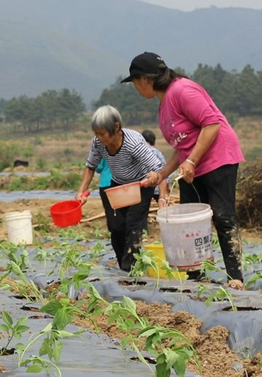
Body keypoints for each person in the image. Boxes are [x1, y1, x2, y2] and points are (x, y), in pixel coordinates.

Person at [124, 52, 245, 290]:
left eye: (135, 82)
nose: (136, 88)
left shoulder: (183, 91)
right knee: (189, 222)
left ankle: (236, 278)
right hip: (194, 164)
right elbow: (181, 147)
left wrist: (191, 161)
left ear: (145, 79)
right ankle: (196, 279)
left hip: (219, 158)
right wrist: (161, 174)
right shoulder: (163, 106)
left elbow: (212, 125)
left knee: (222, 216)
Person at [76, 105, 163, 271]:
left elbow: (156, 166)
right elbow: (90, 166)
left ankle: (131, 269)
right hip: (119, 184)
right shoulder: (98, 143)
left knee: (133, 225)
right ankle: (123, 266)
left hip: (140, 186)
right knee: (115, 227)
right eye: (96, 133)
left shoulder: (133, 143)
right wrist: (81, 191)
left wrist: (153, 176)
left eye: (102, 133)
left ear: (116, 127)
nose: (99, 138)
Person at [141, 129, 169, 205]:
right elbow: (164, 169)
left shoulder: (138, 151)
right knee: (162, 206)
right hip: (157, 186)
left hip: (143, 186)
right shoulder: (157, 152)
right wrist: (167, 187)